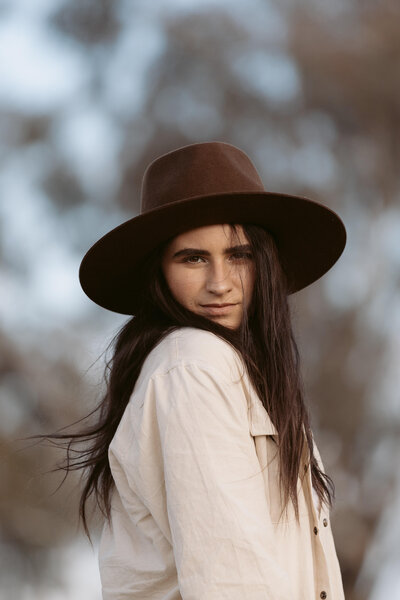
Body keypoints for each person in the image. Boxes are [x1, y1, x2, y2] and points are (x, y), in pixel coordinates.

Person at [75, 141, 346, 598]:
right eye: (193, 258)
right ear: (157, 270)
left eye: (239, 255)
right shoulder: (194, 366)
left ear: (264, 261)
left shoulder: (247, 375)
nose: (219, 284)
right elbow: (232, 580)